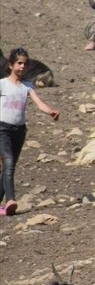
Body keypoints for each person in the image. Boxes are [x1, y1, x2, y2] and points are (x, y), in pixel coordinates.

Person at [1, 48, 60, 217]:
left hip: (19, 130)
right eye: (19, 63)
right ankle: (10, 200)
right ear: (11, 65)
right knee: (9, 162)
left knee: (7, 166)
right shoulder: (2, 84)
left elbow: (39, 103)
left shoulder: (27, 86)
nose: (22, 66)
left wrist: (51, 111)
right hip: (2, 129)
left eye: (25, 64)